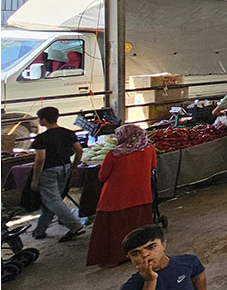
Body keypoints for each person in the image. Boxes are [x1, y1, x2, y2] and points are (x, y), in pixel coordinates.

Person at [88, 125, 157, 266]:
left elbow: (102, 176)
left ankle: (114, 258)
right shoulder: (149, 149)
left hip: (115, 199)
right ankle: (142, 255)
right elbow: (152, 166)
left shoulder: (114, 154)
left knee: (115, 231)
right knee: (139, 228)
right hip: (141, 194)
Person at [30, 106, 86, 241]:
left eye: (39, 119)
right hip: (65, 167)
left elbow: (40, 159)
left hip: (49, 170)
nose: (38, 121)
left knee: (53, 200)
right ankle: (40, 230)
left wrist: (35, 180)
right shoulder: (68, 133)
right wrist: (74, 166)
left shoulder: (41, 138)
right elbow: (79, 150)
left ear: (44, 120)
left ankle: (75, 225)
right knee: (52, 200)